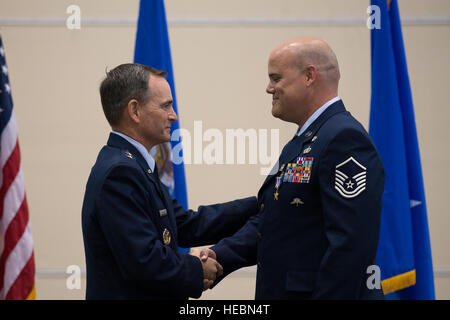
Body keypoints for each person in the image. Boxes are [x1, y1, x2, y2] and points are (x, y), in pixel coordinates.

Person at [202, 37, 385, 299]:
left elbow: (351, 247)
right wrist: (219, 257)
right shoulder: (306, 140)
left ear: (309, 76)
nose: (268, 88)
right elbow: (273, 221)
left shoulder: (344, 140)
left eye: (276, 78)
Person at [81, 63, 258, 300]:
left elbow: (185, 225)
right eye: (166, 106)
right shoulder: (120, 173)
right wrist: (198, 268)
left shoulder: (134, 165)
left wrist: (257, 203)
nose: (173, 115)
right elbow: (144, 261)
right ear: (134, 110)